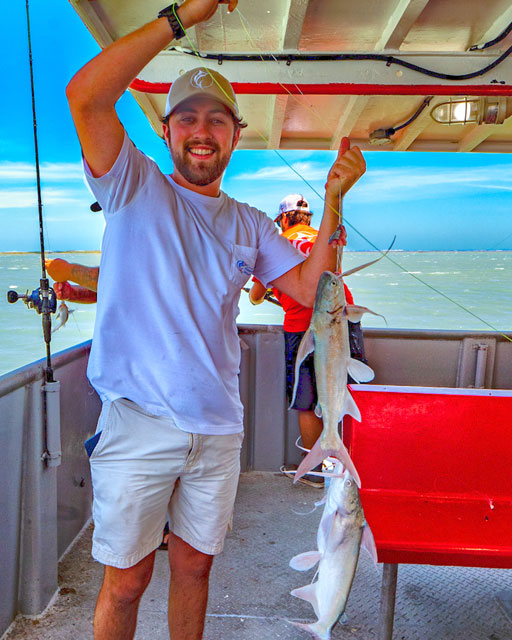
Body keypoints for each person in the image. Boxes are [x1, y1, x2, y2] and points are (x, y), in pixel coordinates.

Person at [63, 1, 366, 637]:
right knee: (127, 580)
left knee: (197, 569)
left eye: (217, 121)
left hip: (218, 428)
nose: (202, 131)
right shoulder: (132, 185)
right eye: (188, 119)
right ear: (168, 134)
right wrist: (182, 18)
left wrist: (334, 200)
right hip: (138, 422)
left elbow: (309, 288)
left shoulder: (251, 223)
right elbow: (87, 95)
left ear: (235, 135)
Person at [248, 194, 368, 488]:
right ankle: (354, 467)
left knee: (307, 401)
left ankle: (318, 472)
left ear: (284, 220)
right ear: (308, 219)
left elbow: (254, 296)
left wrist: (273, 290)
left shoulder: (276, 244)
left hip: (303, 328)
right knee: (352, 391)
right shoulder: (321, 237)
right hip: (343, 320)